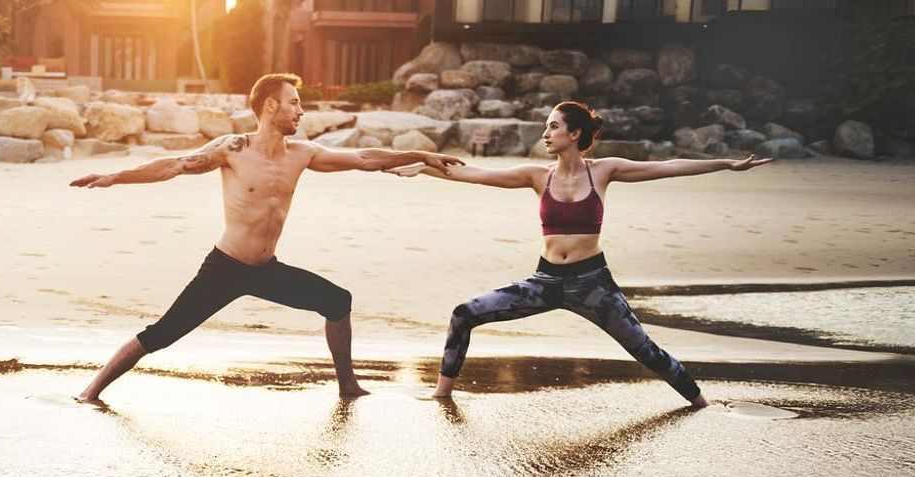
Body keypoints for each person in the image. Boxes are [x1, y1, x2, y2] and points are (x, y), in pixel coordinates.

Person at [69, 73, 464, 402]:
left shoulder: (302, 153)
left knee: (337, 301)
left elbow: (364, 159)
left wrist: (421, 157)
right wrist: (114, 177)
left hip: (265, 270)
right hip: (224, 268)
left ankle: (348, 386)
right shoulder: (232, 150)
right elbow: (174, 165)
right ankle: (90, 393)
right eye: (294, 102)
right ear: (270, 106)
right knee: (163, 334)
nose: (301, 110)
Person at [386, 101, 771, 407]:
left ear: (574, 133)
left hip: (593, 286)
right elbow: (472, 173)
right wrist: (422, 168)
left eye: (553, 126)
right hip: (545, 282)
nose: (546, 133)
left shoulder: (603, 171)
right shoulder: (537, 176)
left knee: (645, 350)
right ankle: (441, 394)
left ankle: (703, 403)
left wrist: (727, 164)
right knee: (464, 314)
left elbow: (669, 167)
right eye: (547, 126)